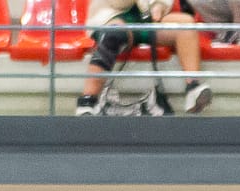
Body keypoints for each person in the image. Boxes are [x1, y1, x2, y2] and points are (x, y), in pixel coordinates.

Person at [75, 0, 212, 116]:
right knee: (113, 35)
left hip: (147, 18)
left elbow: (161, 5)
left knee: (186, 24)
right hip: (113, 15)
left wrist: (159, 5)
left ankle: (193, 87)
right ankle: (87, 101)